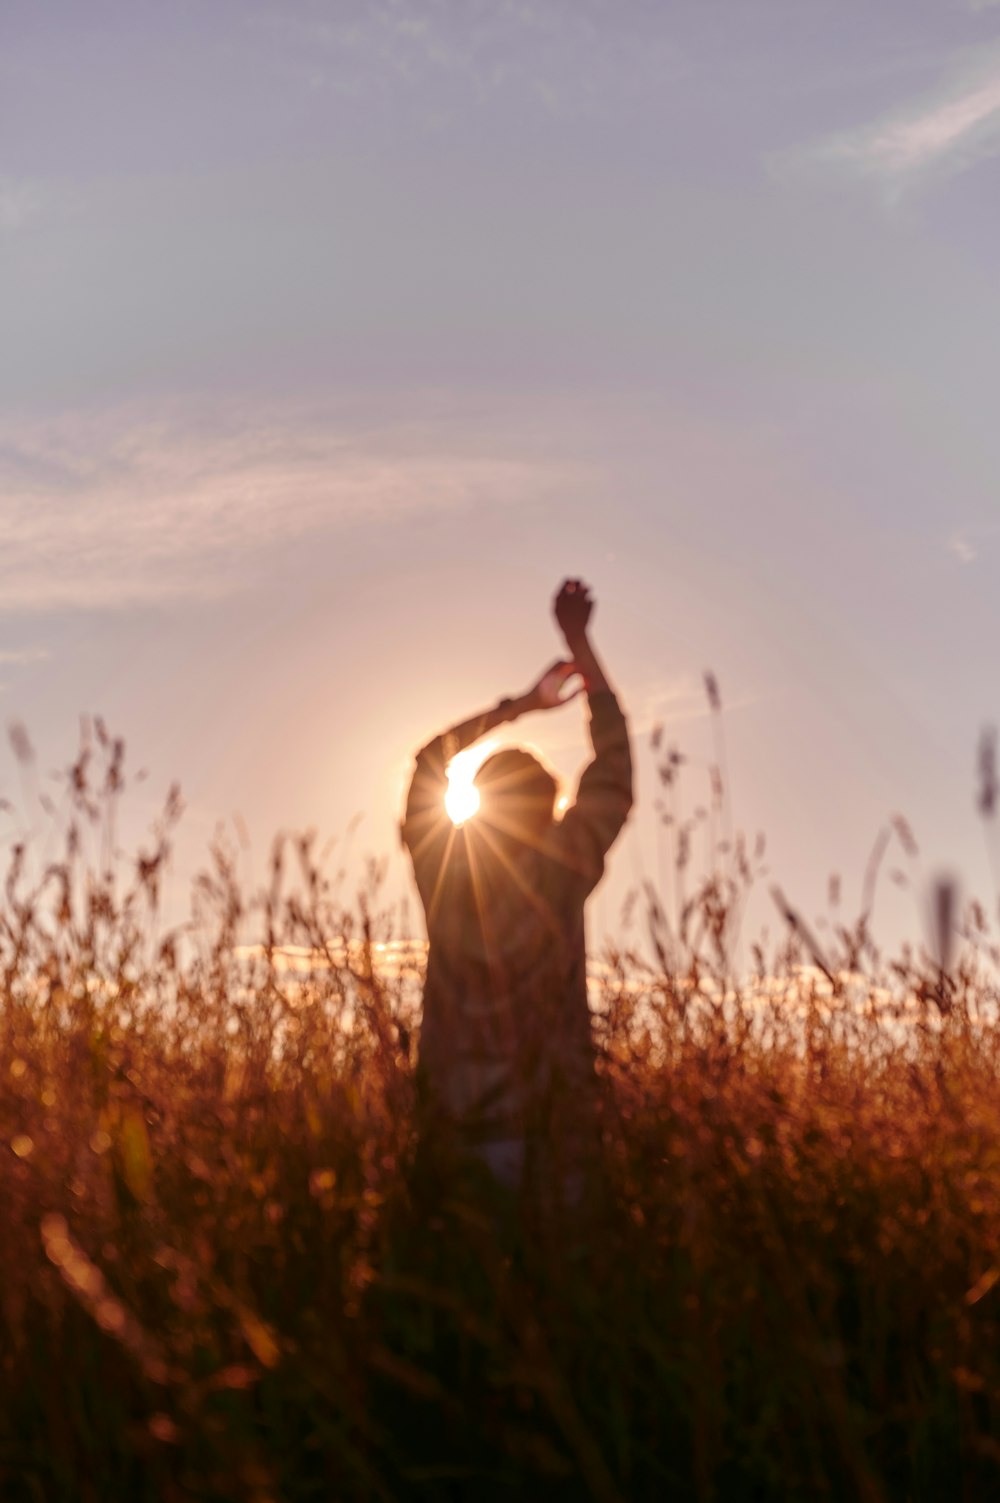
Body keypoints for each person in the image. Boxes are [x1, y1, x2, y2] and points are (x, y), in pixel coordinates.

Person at [401, 579, 633, 1201]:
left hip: (454, 1118)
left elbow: (427, 762)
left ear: (477, 807)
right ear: (553, 810)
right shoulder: (566, 866)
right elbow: (616, 765)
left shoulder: (444, 871)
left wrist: (520, 706)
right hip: (555, 1122)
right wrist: (581, 643)